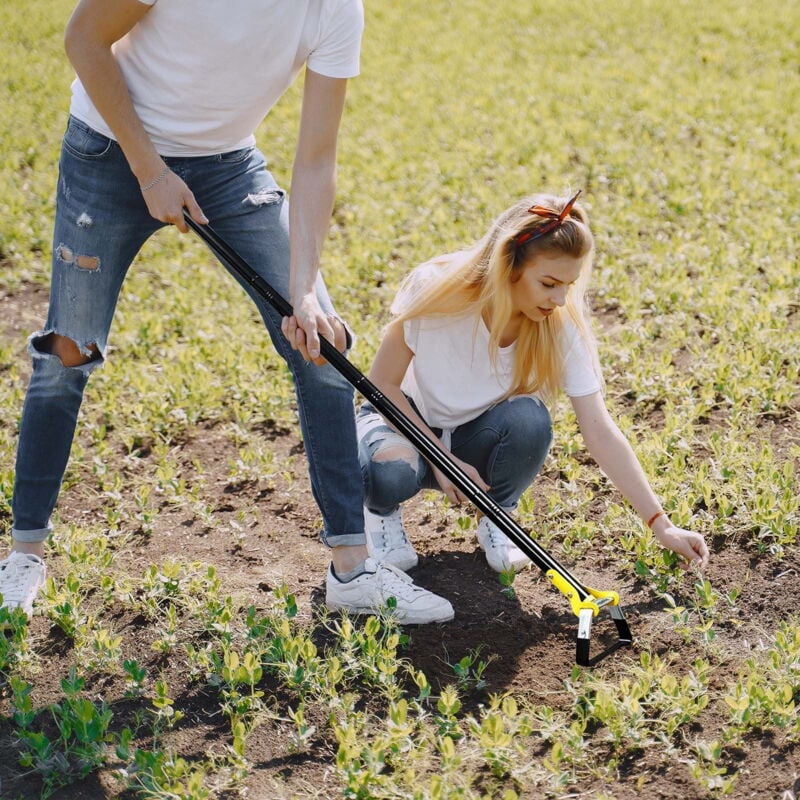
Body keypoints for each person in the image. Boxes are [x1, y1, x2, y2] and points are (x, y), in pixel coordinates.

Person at [0, 0, 454, 626]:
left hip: (227, 165)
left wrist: (302, 289)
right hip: (109, 151)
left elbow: (317, 159)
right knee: (68, 353)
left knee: (322, 344)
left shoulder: (335, 11)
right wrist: (151, 169)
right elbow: (83, 38)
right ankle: (24, 554)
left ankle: (352, 568)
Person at [357, 190, 710, 578]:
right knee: (391, 472)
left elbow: (599, 430)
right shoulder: (437, 288)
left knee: (529, 419)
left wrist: (661, 523)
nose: (559, 299)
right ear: (509, 266)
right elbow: (381, 387)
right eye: (548, 283)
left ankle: (497, 515)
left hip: (472, 435)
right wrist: (440, 457)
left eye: (568, 286)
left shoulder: (558, 324)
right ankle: (380, 513)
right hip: (401, 425)